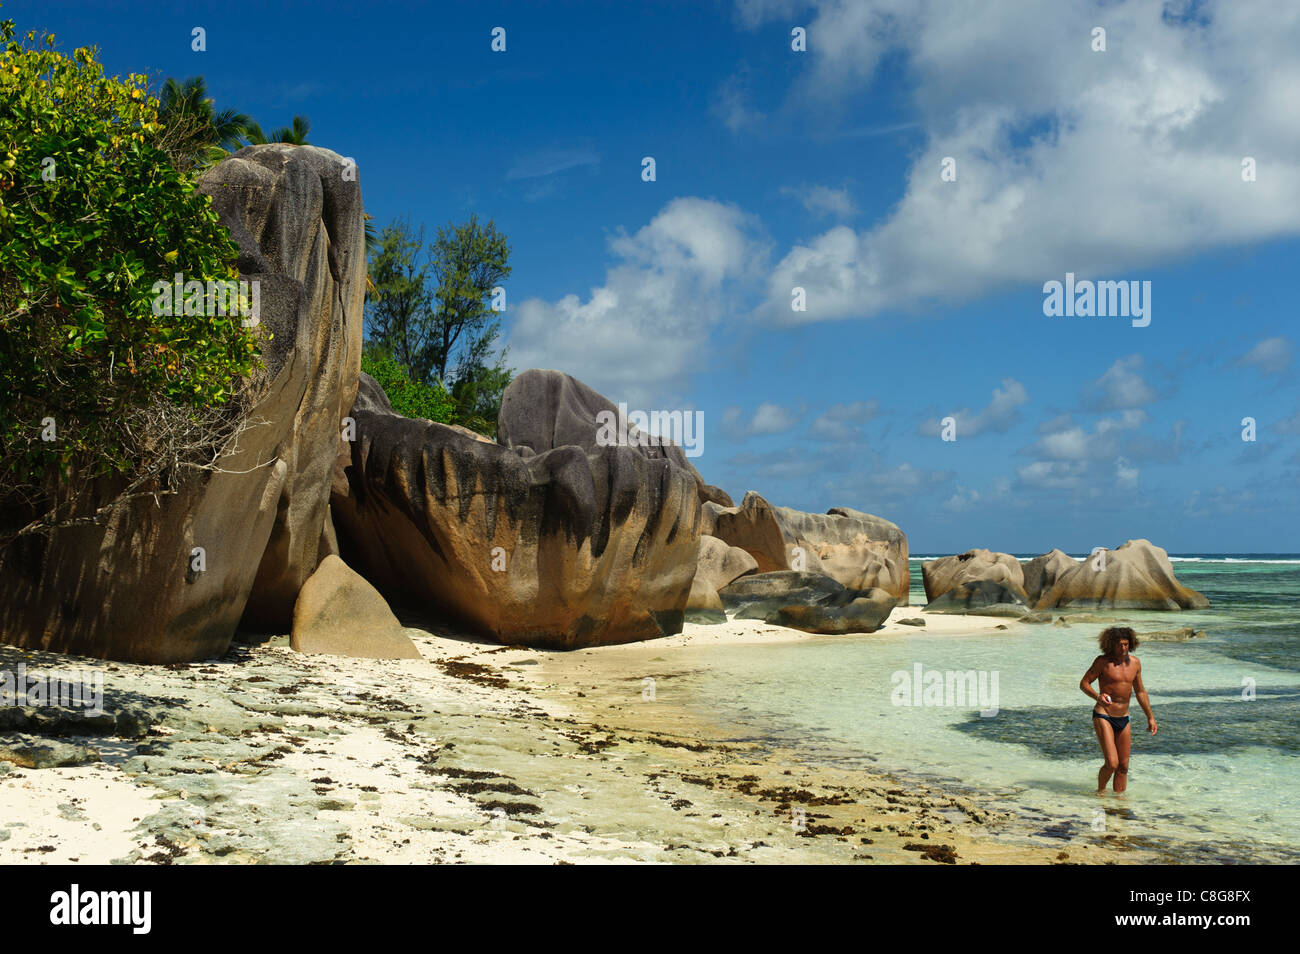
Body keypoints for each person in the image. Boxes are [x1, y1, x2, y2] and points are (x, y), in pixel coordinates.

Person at [1079, 626, 1156, 794]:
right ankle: (1100, 793)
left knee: (1123, 766)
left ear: (1131, 644)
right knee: (1112, 763)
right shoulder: (1102, 662)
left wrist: (1150, 717)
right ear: (1111, 645)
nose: (1123, 648)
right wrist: (1097, 696)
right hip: (1103, 714)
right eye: (1120, 645)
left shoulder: (1135, 663)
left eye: (1126, 644)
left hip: (1124, 717)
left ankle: (1119, 803)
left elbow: (1140, 691)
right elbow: (1084, 684)